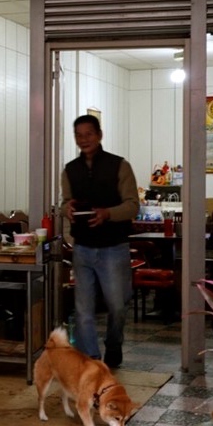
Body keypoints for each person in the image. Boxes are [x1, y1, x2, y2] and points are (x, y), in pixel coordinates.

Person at [61, 115, 139, 369]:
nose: (84, 139)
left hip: (114, 247)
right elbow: (65, 202)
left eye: (89, 134)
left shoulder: (119, 166)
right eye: (79, 135)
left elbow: (132, 206)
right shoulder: (70, 170)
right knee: (83, 309)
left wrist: (107, 214)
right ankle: (92, 360)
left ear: (99, 135)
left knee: (117, 306)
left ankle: (114, 344)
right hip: (82, 247)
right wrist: (67, 209)